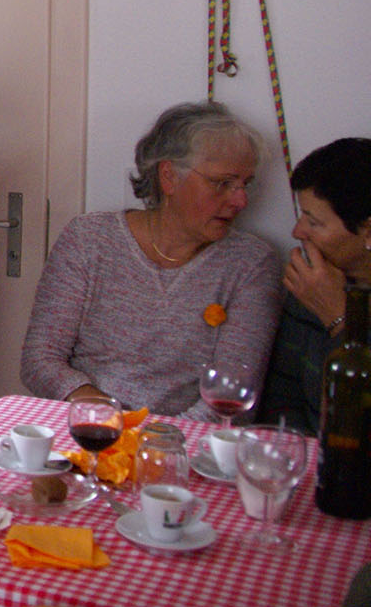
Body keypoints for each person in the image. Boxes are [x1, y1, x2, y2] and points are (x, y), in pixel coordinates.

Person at [19, 101, 283, 417]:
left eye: (245, 184)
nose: (240, 201)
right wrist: (102, 414)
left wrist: (155, 439)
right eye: (222, 183)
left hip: (187, 440)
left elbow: (230, 396)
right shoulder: (89, 239)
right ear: (168, 176)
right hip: (88, 427)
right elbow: (40, 359)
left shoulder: (251, 264)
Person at [260, 138, 371, 449]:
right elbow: (281, 399)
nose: (297, 232)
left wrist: (340, 322)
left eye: (314, 222)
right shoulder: (315, 279)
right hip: (312, 465)